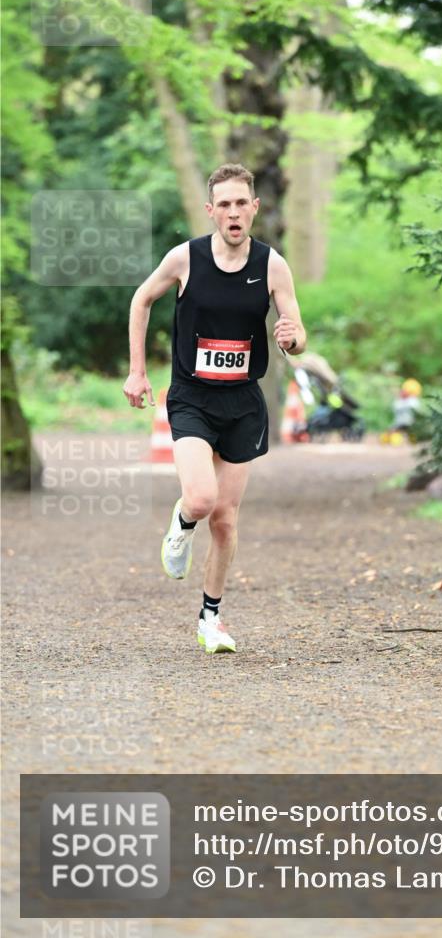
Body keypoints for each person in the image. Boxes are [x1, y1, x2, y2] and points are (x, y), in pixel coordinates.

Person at [122, 163, 307, 654]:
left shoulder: (272, 265)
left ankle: (211, 618)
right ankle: (181, 527)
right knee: (201, 500)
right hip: (192, 397)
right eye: (223, 204)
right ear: (210, 211)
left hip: (243, 402)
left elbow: (296, 329)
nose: (232, 212)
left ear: (254, 208)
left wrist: (293, 338)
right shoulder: (185, 259)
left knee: (225, 519)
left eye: (240, 203)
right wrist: (138, 371)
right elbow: (141, 300)